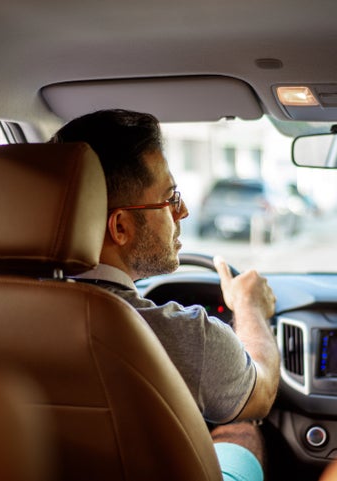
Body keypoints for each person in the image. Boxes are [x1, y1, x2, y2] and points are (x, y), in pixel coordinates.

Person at [50, 109, 280, 481]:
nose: (184, 211)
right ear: (120, 226)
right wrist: (250, 307)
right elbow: (263, 390)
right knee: (241, 430)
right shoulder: (177, 335)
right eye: (170, 197)